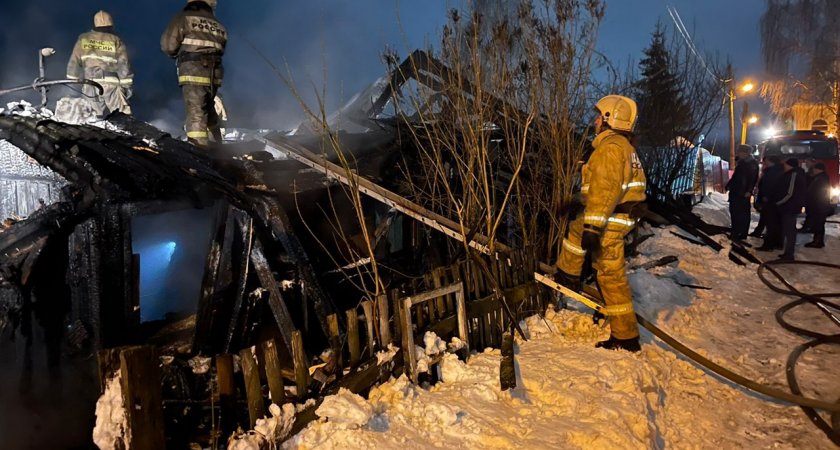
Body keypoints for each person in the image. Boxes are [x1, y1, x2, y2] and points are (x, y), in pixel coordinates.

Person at [555, 95, 647, 352]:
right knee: (576, 229)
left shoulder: (610, 148)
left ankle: (626, 337)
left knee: (610, 276)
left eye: (599, 116)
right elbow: (598, 190)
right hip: (615, 215)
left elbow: (605, 192)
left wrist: (593, 226)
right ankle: (568, 273)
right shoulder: (623, 147)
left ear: (610, 119)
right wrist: (576, 204)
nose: (595, 121)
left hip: (610, 220)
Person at [161, 0, 227, 148]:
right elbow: (221, 48)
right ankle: (219, 150)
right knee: (209, 111)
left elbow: (168, 45)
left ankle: (199, 154)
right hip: (215, 74)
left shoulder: (184, 18)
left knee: (196, 114)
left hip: (193, 71)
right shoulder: (217, 24)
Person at [66, 11, 133, 116]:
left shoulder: (83, 39)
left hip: (90, 83)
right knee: (122, 116)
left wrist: (73, 79)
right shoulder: (116, 40)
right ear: (111, 24)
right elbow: (124, 65)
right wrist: (127, 86)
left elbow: (74, 62)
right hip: (111, 84)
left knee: (92, 118)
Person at [773, 158, 807, 260]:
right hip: (789, 206)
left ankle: (789, 254)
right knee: (788, 230)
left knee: (789, 231)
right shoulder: (792, 174)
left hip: (790, 207)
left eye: (786, 164)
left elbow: (790, 193)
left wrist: (779, 202)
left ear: (790, 165)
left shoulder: (794, 175)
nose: (784, 166)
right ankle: (788, 252)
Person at [725, 145, 759, 240]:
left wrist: (749, 190)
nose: (738, 153)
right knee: (735, 211)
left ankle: (741, 233)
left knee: (742, 213)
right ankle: (736, 231)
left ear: (746, 153)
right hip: (736, 191)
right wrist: (729, 185)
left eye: (740, 152)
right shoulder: (742, 163)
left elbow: (752, 179)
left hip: (743, 192)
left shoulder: (751, 164)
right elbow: (736, 177)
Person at [750, 155, 784, 239]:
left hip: (769, 199)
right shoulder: (770, 171)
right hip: (767, 198)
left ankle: (770, 239)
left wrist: (767, 196)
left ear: (772, 161)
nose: (764, 162)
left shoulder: (774, 172)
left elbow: (771, 185)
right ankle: (760, 232)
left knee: (770, 219)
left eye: (766, 160)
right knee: (764, 216)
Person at [804, 162, 832, 248]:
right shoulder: (820, 177)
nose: (814, 171)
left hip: (819, 206)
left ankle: (818, 242)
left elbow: (818, 193)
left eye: (815, 169)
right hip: (819, 205)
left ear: (819, 169)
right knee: (818, 224)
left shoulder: (821, 179)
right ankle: (817, 241)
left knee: (819, 224)